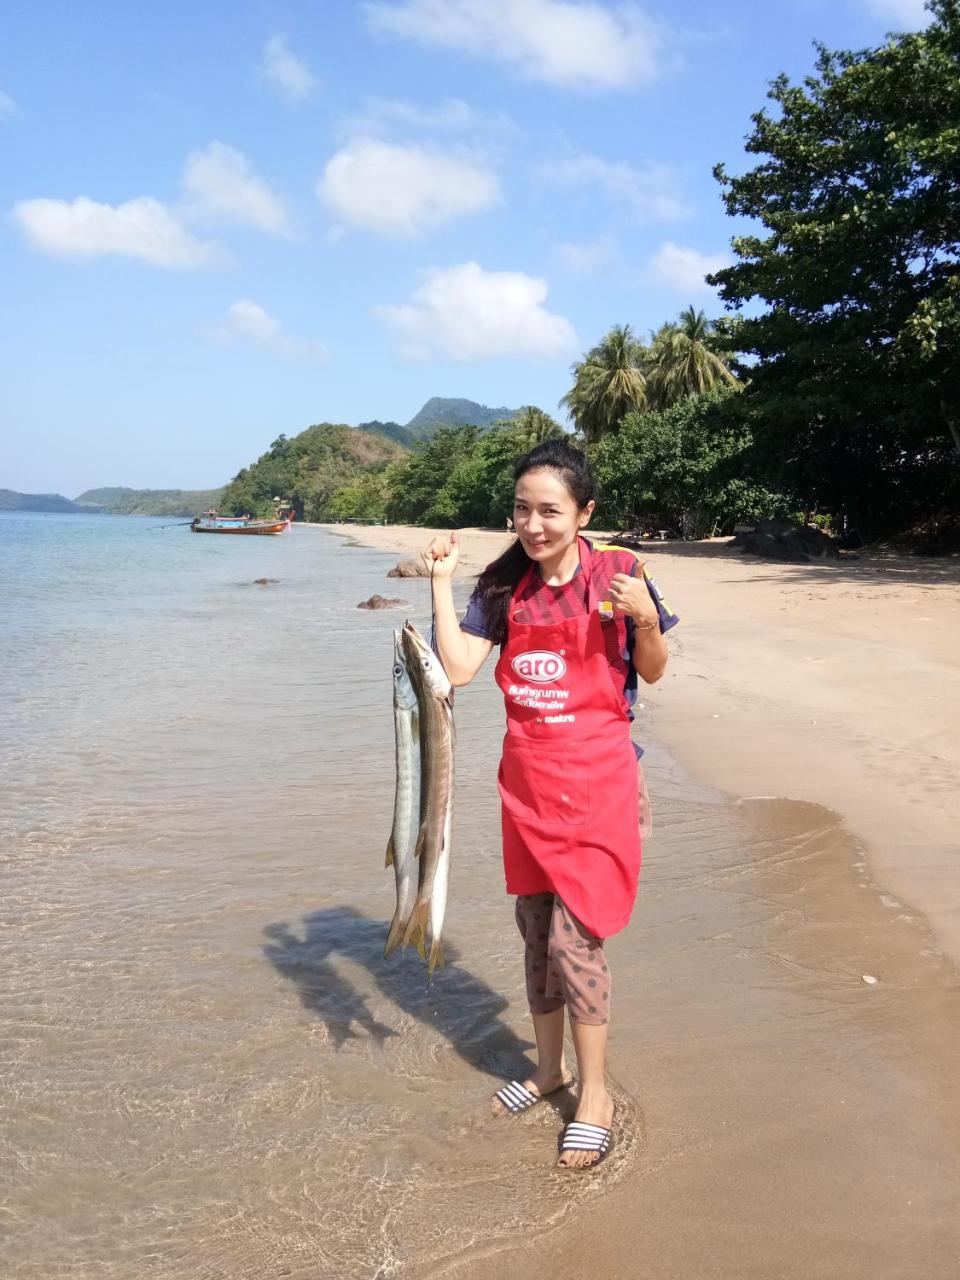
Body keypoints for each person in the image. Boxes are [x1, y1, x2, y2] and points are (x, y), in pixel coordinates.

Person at [423, 439, 679, 1171]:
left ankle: (594, 1094)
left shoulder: (620, 573)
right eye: (522, 510)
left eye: (549, 511)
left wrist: (647, 622)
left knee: (576, 941)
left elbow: (653, 674)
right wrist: (441, 583)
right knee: (535, 934)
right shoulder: (503, 588)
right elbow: (461, 670)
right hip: (528, 787)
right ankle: (547, 1070)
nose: (533, 525)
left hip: (601, 786)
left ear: (584, 512)